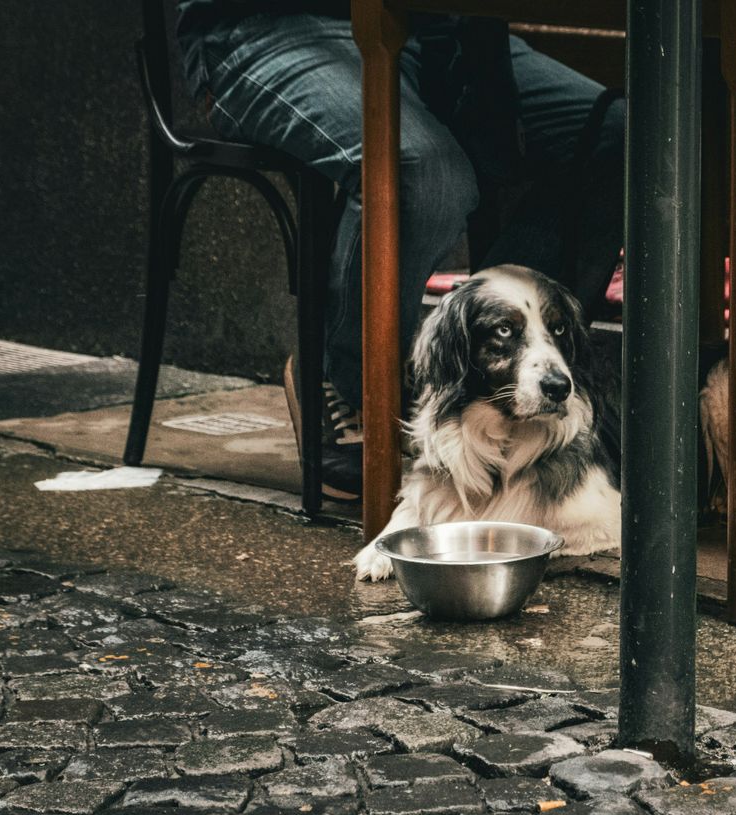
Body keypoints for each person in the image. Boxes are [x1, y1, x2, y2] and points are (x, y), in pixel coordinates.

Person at [174, 1, 625, 501]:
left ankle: (507, 374)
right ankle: (345, 379)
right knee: (422, 174)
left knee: (629, 137)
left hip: (444, 29)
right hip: (270, 25)